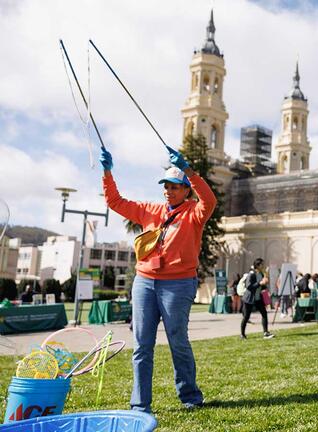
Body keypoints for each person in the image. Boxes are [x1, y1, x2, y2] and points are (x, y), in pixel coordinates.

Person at [100, 145, 211, 413]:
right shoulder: (150, 210)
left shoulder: (195, 211)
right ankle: (140, 405)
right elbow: (115, 202)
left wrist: (188, 170)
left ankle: (190, 396)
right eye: (166, 186)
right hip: (144, 282)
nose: (168, 191)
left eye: (174, 186)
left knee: (178, 339)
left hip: (178, 284)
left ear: (186, 190)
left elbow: (210, 200)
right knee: (142, 345)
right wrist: (107, 172)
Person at [240, 259, 274, 340]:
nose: (263, 266)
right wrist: (260, 283)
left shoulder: (261, 274)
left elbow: (262, 285)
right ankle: (242, 335)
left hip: (258, 298)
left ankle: (266, 333)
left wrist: (264, 284)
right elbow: (249, 286)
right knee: (246, 317)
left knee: (264, 313)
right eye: (262, 264)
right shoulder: (251, 274)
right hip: (249, 299)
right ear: (258, 265)